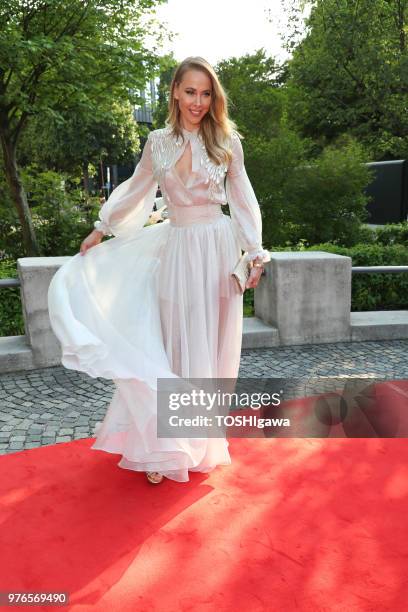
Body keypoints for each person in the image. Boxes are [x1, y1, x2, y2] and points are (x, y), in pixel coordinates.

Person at [47, 56, 270, 485]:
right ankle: (168, 448)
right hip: (177, 248)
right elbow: (136, 188)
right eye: (190, 92)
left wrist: (255, 252)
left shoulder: (227, 142)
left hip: (217, 250)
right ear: (174, 92)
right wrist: (102, 228)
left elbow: (243, 199)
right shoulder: (157, 142)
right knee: (171, 342)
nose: (198, 102)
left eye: (206, 94)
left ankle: (199, 443)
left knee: (208, 347)